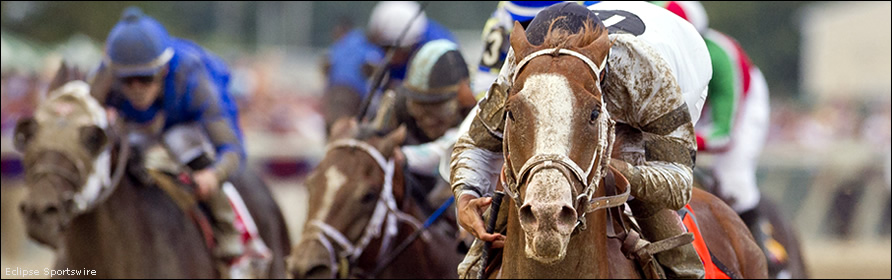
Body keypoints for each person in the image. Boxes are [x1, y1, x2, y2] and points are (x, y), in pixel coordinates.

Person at [451, 1, 712, 278]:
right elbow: (476, 142)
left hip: (681, 61)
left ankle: (686, 270)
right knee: (475, 260)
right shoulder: (520, 65)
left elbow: (678, 183)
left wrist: (618, 170)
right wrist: (467, 196)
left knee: (636, 177)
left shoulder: (644, 73)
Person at [87, 6, 245, 262]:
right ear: (115, 74)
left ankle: (226, 226)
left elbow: (233, 150)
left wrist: (213, 175)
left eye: (145, 78)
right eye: (127, 80)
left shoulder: (195, 78)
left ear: (163, 71)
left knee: (180, 140)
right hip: (134, 130)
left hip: (185, 129)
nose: (136, 88)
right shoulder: (103, 76)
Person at [653, 0, 774, 257]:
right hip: (691, 106)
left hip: (740, 104)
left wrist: (673, 137)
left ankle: (765, 258)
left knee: (734, 180)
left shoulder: (720, 57)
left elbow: (723, 136)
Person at [372, 39, 477, 212]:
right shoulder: (396, 105)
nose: (427, 120)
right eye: (419, 107)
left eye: (438, 107)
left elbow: (449, 150)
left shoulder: (478, 110)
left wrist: (402, 156)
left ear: (462, 95)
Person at [320, 1, 457, 133]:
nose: (389, 56)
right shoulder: (356, 47)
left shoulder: (439, 48)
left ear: (412, 44)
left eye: (394, 50)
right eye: (384, 47)